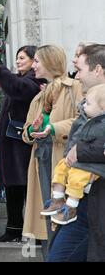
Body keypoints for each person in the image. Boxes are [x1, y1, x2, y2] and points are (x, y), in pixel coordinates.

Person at [22, 45, 83, 256]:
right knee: (47, 219)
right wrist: (33, 130)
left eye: (37, 61)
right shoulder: (39, 96)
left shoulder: (74, 87)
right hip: (42, 159)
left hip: (66, 160)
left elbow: (83, 121)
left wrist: (54, 128)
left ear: (50, 62)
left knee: (65, 218)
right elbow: (26, 131)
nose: (34, 65)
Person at [48, 44, 105, 262]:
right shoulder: (89, 102)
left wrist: (81, 150)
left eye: (80, 70)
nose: (76, 76)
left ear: (97, 70)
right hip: (81, 201)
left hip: (96, 205)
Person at [0, 46, 44, 242]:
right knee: (13, 187)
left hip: (24, 144)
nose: (18, 61)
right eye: (17, 58)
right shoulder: (21, 79)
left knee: (28, 188)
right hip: (11, 144)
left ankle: (35, 230)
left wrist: (0, 71)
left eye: (22, 58)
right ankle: (14, 228)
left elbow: (19, 89)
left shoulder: (35, 81)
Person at [41, 84, 105, 225]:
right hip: (80, 161)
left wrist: (79, 149)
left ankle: (71, 208)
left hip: (90, 166)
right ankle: (57, 199)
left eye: (88, 103)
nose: (83, 106)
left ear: (102, 108)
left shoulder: (101, 124)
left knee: (76, 178)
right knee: (60, 168)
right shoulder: (87, 120)